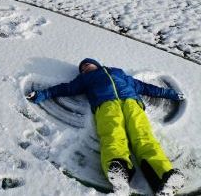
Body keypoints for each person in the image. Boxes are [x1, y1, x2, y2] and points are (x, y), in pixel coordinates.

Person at [26, 58, 185, 195]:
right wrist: (42, 94)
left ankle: (163, 177)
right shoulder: (85, 80)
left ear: (97, 64)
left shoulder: (118, 72)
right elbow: (65, 88)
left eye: (88, 64)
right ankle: (119, 170)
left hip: (132, 104)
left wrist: (170, 94)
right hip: (106, 106)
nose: (85, 67)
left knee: (144, 137)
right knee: (113, 136)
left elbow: (144, 87)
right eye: (83, 68)